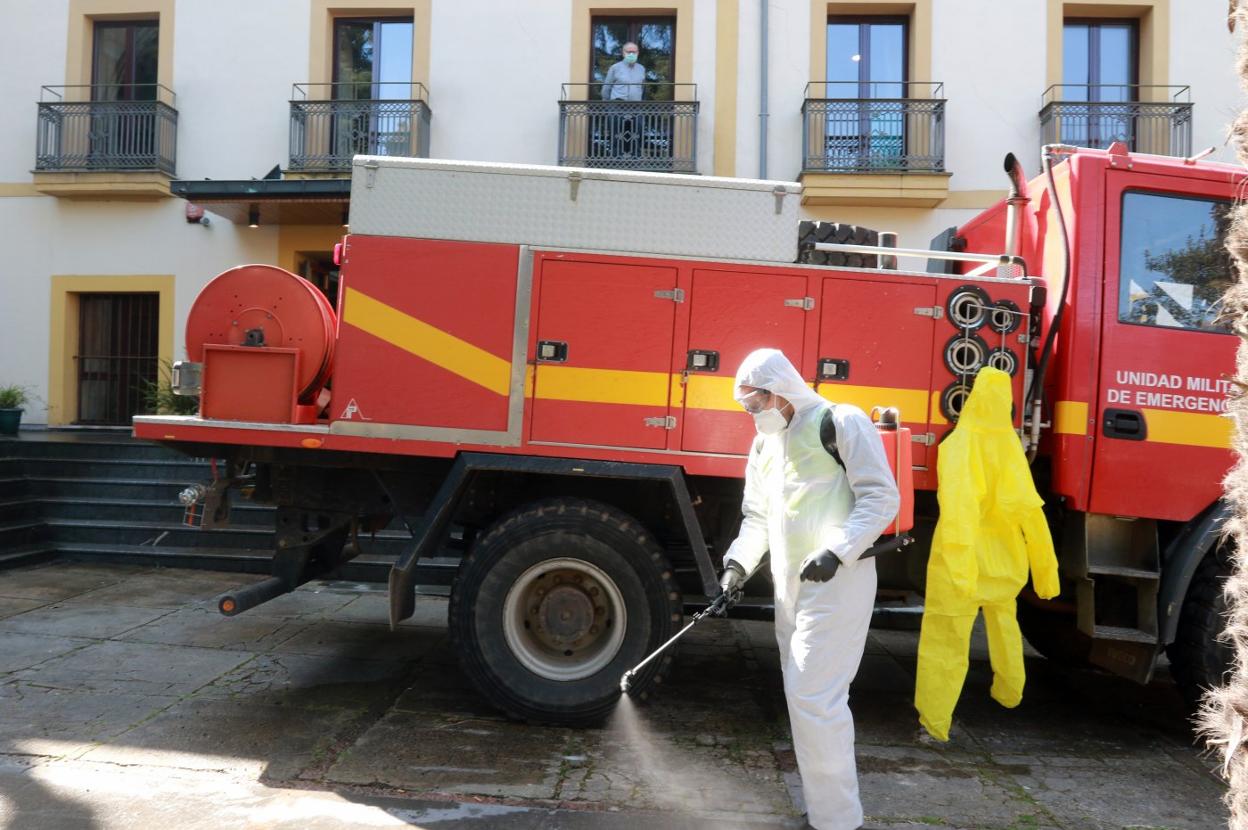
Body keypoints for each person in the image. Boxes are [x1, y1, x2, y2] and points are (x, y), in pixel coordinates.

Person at [719, 348, 899, 830]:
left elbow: (882, 496)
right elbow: (757, 516)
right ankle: (826, 811)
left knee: (814, 698)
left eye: (756, 404)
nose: (753, 415)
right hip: (790, 587)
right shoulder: (764, 445)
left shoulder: (841, 422)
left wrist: (836, 550)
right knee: (805, 700)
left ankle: (838, 821)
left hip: (838, 582)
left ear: (778, 391)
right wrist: (736, 564)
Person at [599, 42, 645, 158]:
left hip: (636, 107)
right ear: (623, 53)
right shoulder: (615, 68)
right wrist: (607, 108)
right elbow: (606, 88)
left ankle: (635, 160)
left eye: (634, 52)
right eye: (628, 52)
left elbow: (642, 88)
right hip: (617, 105)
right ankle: (616, 159)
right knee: (616, 134)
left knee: (637, 133)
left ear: (638, 53)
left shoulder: (641, 69)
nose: (631, 54)